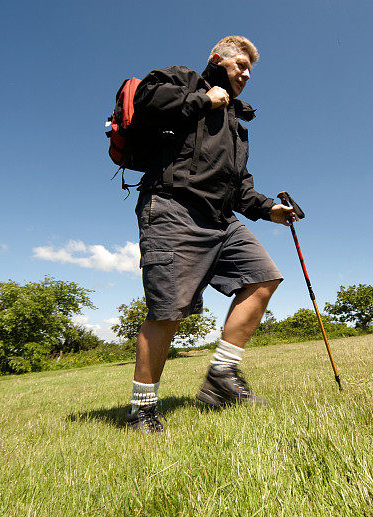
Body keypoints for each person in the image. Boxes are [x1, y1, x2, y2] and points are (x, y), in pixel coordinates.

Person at [126, 36, 294, 433]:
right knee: (168, 311)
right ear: (218, 59)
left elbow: (241, 188)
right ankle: (142, 410)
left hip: (221, 219)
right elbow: (146, 103)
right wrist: (204, 100)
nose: (246, 75)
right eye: (241, 65)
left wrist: (270, 209)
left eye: (251, 70)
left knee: (263, 277)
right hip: (172, 207)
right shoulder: (183, 79)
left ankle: (221, 377)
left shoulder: (237, 127)